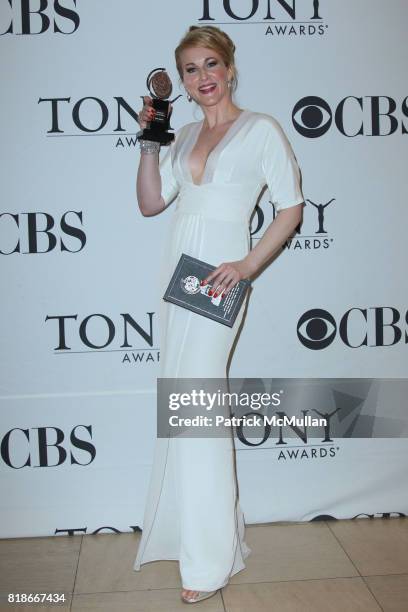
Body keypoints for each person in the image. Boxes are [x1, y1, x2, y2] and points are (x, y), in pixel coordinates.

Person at [133, 25, 304, 604]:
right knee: (183, 405)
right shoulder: (180, 135)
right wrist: (150, 142)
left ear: (230, 68)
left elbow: (291, 208)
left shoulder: (260, 130)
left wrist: (248, 265)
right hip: (176, 273)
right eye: (189, 69)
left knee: (196, 405)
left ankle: (208, 562)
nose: (202, 77)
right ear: (179, 80)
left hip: (217, 278)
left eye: (211, 64)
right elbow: (152, 204)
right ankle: (205, 538)